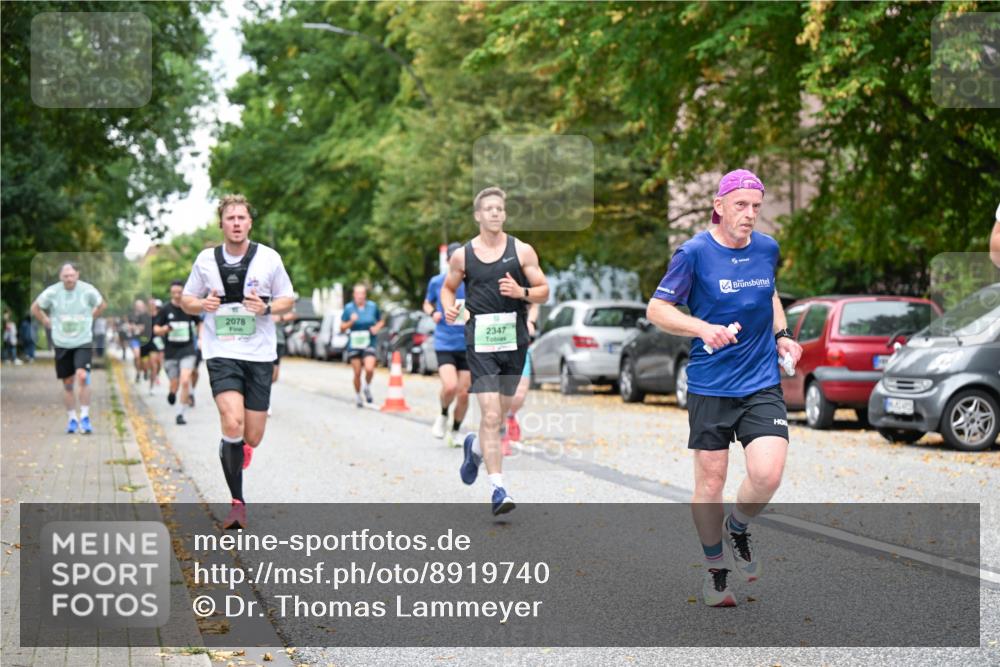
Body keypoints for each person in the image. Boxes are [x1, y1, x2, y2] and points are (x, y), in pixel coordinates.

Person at [646, 169, 802, 607]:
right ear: (719, 206)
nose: (750, 214)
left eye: (756, 206)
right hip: (711, 384)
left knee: (768, 473)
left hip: (760, 381)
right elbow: (658, 308)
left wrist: (782, 335)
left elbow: (768, 294)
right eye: (741, 205)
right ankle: (715, 571)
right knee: (711, 482)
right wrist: (701, 328)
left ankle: (738, 526)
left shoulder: (767, 249)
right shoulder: (693, 253)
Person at [182, 194, 295, 530]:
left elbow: (289, 298)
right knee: (231, 423)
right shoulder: (205, 261)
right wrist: (203, 303)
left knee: (253, 435)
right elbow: (187, 300)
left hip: (259, 354)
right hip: (221, 352)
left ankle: (240, 447)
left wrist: (268, 308)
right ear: (221, 224)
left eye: (241, 218)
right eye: (230, 218)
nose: (235, 223)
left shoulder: (269, 258)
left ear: (249, 223)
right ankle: (237, 504)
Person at [441, 186, 550, 516]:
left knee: (499, 417)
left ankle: (474, 447)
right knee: (489, 414)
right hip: (481, 343)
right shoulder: (463, 256)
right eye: (488, 208)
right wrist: (452, 311)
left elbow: (543, 291)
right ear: (478, 215)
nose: (495, 213)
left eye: (499, 209)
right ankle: (498, 488)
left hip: (514, 341)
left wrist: (522, 291)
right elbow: (448, 289)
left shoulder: (522, 251)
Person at [31, 262, 106, 434]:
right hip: (62, 342)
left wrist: (90, 317)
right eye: (66, 276)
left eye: (72, 275)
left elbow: (102, 305)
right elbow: (35, 307)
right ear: (60, 277)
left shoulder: (87, 290)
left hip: (83, 341)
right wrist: (45, 320)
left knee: (83, 376)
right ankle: (72, 418)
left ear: (77, 275)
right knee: (68, 383)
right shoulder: (53, 292)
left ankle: (85, 417)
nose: (69, 279)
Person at [423, 242, 471, 447]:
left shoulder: (472, 281)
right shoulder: (437, 281)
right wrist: (432, 312)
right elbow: (427, 302)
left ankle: (456, 429)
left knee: (463, 392)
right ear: (448, 260)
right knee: (450, 387)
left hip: (468, 342)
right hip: (445, 341)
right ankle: (443, 414)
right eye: (454, 258)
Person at [154, 280, 201, 425]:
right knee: (174, 383)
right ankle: (172, 392)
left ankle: (181, 414)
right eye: (174, 292)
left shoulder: (189, 308)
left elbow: (200, 322)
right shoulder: (165, 310)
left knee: (185, 380)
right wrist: (163, 330)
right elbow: (155, 328)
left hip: (187, 349)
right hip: (171, 351)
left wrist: (200, 338)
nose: (177, 295)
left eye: (179, 292)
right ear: (171, 293)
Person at [502, 302, 540, 454]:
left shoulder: (524, 280)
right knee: (500, 393)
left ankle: (510, 415)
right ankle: (501, 433)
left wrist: (530, 321)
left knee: (519, 395)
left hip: (521, 345)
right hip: (497, 344)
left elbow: (534, 303)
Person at [340, 283, 384, 408]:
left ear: (365, 295)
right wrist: (351, 321)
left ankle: (367, 387)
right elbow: (342, 327)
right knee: (357, 372)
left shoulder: (372, 306)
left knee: (370, 368)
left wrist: (376, 327)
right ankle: (358, 395)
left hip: (369, 341)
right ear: (354, 295)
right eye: (357, 293)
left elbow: (381, 321)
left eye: (362, 293)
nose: (360, 296)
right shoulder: (349, 308)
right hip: (354, 343)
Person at [268, 308, 295, 416]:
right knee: (265, 373)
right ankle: (265, 402)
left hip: (278, 340)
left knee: (274, 377)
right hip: (265, 342)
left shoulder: (279, 299)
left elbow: (293, 314)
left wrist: (280, 317)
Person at [128, 299, 150, 382]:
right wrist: (136, 327)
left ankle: (145, 370)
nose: (139, 307)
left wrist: (137, 327)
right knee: (137, 356)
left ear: (143, 306)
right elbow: (130, 327)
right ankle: (137, 372)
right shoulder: (132, 316)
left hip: (144, 339)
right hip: (135, 339)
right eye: (137, 306)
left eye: (140, 306)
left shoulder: (147, 316)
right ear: (135, 307)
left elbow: (145, 327)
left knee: (144, 359)